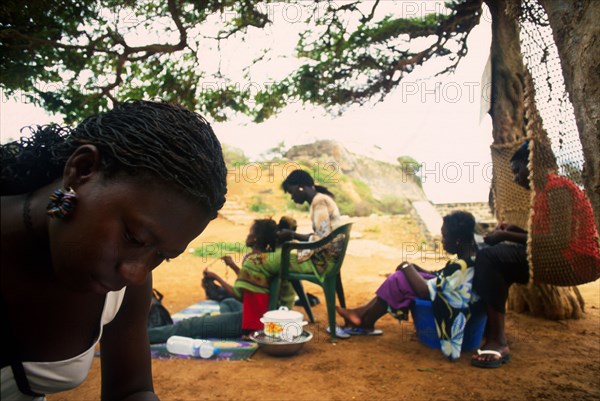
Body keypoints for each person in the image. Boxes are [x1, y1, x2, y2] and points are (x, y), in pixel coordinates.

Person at [1, 101, 227, 400]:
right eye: (134, 237)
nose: (136, 273)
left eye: (162, 256)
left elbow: (132, 390)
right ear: (82, 170)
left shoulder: (121, 291)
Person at [471, 139, 600, 368]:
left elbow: (558, 241)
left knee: (489, 258)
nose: (515, 177)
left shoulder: (557, 189)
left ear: (532, 164)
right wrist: (515, 230)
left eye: (517, 170)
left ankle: (497, 340)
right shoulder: (545, 192)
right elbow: (544, 238)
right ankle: (490, 330)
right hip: (557, 256)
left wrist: (507, 237)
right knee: (488, 254)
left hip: (574, 262)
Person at [336, 211, 479, 360]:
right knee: (404, 276)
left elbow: (424, 291)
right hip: (449, 290)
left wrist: (406, 267)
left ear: (458, 239)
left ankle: (364, 319)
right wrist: (416, 268)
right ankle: (362, 316)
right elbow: (442, 276)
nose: (442, 241)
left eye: (445, 236)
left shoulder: (463, 265)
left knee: (400, 278)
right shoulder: (470, 255)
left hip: (449, 303)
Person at [234, 169, 344, 333]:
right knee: (275, 260)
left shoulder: (319, 201)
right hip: (327, 259)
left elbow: (322, 239)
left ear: (301, 187)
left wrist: (292, 236)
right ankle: (268, 310)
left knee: (254, 263)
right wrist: (294, 236)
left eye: (292, 192)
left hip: (321, 262)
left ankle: (255, 322)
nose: (292, 197)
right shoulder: (321, 200)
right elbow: (322, 236)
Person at [148, 218, 280, 343]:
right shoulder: (266, 258)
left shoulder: (252, 260)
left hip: (250, 322)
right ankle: (215, 322)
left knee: (192, 325)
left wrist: (216, 278)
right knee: (228, 302)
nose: (248, 235)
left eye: (251, 232)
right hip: (261, 313)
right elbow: (252, 284)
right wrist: (232, 265)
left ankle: (146, 336)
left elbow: (240, 295)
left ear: (255, 238)